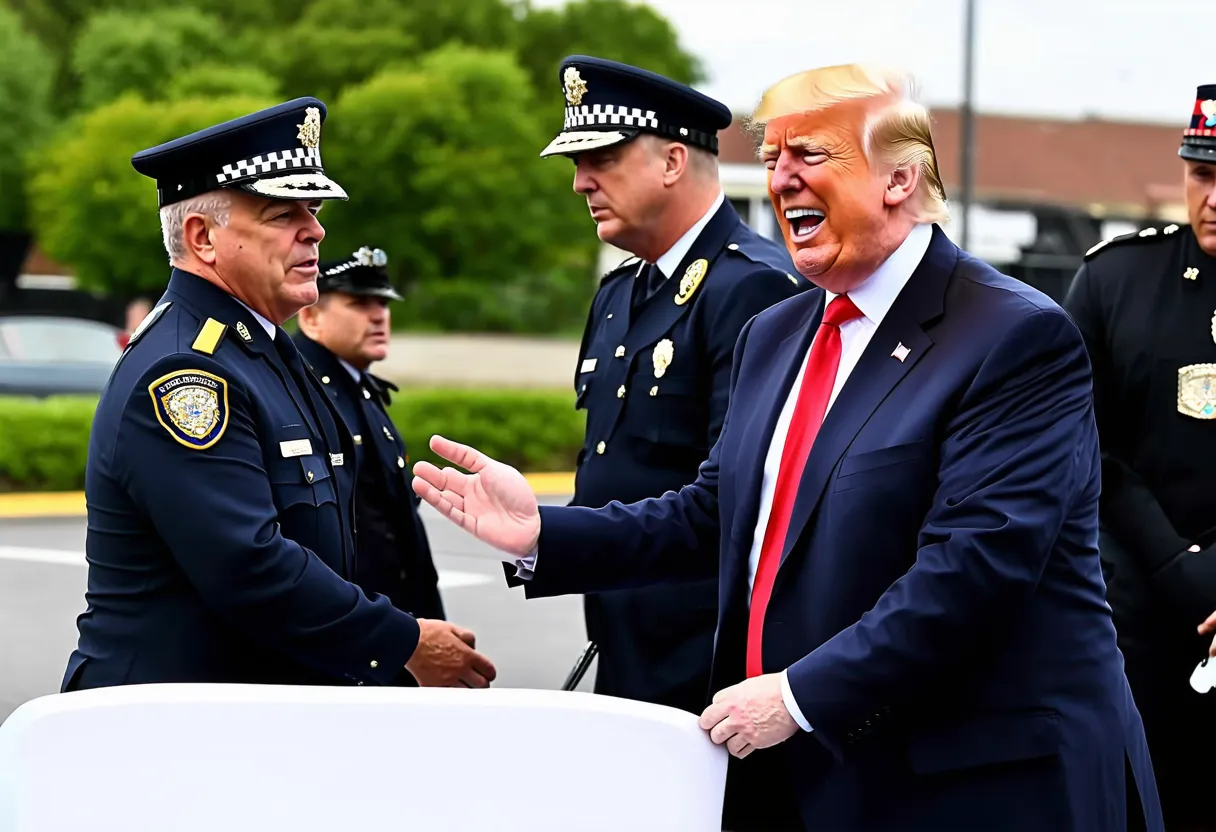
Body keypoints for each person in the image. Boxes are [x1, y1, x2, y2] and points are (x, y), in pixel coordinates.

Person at [413, 64, 1164, 831]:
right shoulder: (777, 332)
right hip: (806, 774)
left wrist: (798, 694)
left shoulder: (1012, 335)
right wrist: (541, 531)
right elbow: (718, 512)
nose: (782, 181)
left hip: (971, 783)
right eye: (772, 160)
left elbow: (975, 570)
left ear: (899, 178)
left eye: (810, 155)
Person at [62, 97, 495, 693]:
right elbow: (249, 566)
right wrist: (403, 643)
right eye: (281, 213)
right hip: (170, 729)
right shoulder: (188, 371)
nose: (315, 229)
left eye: (313, 209)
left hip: (248, 716)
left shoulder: (265, 349)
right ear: (202, 238)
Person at [537, 55, 806, 714]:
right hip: (625, 646)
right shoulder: (619, 293)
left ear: (672, 162)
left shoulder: (753, 286)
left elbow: (738, 505)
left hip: (707, 668)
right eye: (577, 164)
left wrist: (542, 535)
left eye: (600, 159)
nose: (580, 183)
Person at [1062, 82, 1216, 831]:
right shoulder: (1117, 280)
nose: (1213, 196)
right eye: (1203, 173)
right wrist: (1182, 570)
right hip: (1140, 620)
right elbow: (1083, 446)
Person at [293, 245, 445, 624]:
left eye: (383, 303)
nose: (379, 316)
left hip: (393, 618)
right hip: (348, 627)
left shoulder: (362, 388)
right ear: (311, 317)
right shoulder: (298, 390)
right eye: (360, 304)